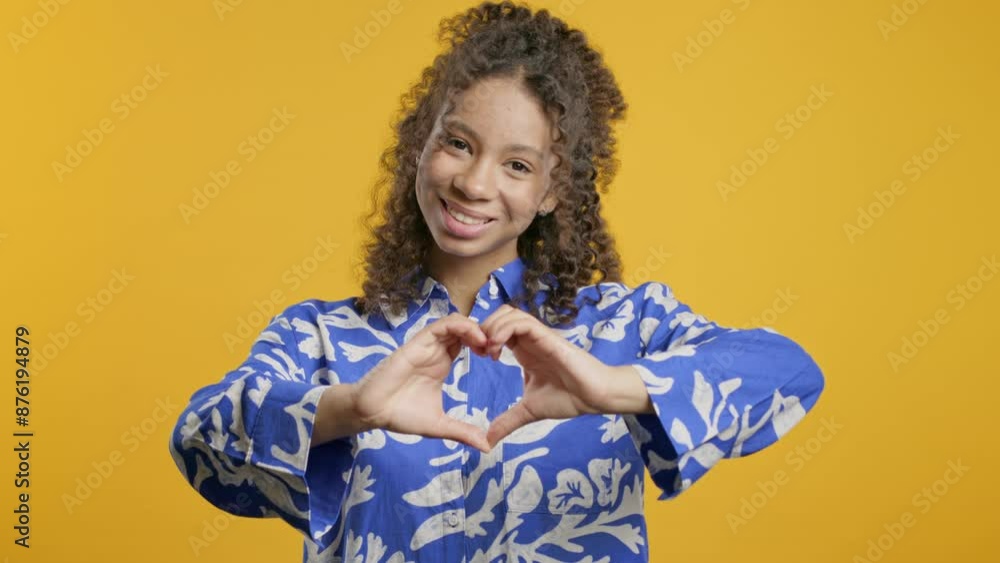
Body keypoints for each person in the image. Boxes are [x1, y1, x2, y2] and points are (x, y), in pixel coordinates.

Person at [168, 2, 826, 561]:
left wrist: (611, 386)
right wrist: (352, 409)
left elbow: (792, 373)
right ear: (420, 145)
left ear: (551, 189)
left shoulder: (623, 327)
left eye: (516, 164)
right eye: (457, 143)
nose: (475, 183)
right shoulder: (322, 336)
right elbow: (199, 439)